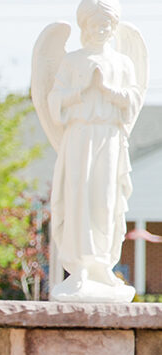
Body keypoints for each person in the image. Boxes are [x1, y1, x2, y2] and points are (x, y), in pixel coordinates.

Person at [44, 0, 144, 301]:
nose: (102, 30)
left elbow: (134, 98)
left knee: (105, 200)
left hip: (110, 138)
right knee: (79, 197)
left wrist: (109, 92)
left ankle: (101, 265)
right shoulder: (73, 61)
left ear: (114, 27)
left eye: (107, 25)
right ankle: (80, 270)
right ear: (84, 26)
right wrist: (83, 90)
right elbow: (53, 98)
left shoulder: (123, 63)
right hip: (79, 138)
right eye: (96, 24)